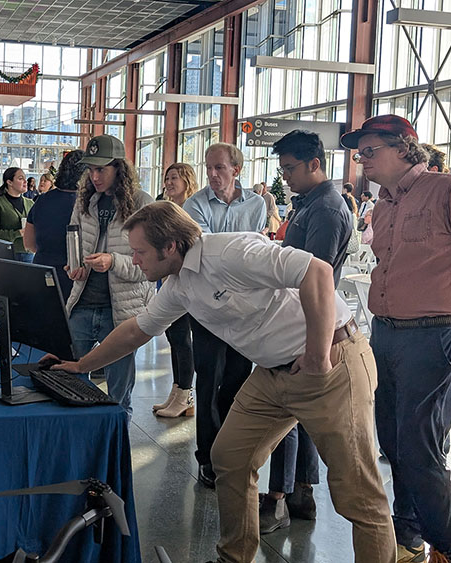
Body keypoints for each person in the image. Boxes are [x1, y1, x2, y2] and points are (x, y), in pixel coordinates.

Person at [48, 201, 396, 563]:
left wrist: (317, 352)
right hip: (273, 373)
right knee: (230, 457)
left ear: (170, 246)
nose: (134, 260)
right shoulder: (178, 283)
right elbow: (136, 331)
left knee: (357, 493)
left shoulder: (231, 252)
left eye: (139, 252)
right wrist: (79, 366)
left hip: (332, 363)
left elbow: (319, 272)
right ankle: (234, 556)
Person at [341, 114, 451, 563]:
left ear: (404, 148)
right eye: (359, 154)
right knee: (394, 443)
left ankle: (450, 548)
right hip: (387, 333)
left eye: (370, 151)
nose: (362, 161)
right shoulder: (386, 204)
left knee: (419, 445)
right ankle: (409, 534)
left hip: (433, 335)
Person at [258, 130, 353, 533]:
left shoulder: (327, 210)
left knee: (289, 409)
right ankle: (301, 492)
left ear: (315, 164)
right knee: (304, 415)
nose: (286, 177)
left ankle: (278, 498)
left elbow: (316, 275)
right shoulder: (310, 205)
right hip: (302, 318)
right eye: (281, 169)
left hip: (305, 322)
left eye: (290, 168)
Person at [181, 142, 265, 488]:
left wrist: (230, 251)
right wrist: (236, 251)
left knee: (236, 379)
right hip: (207, 308)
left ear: (237, 170)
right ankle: (208, 458)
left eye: (220, 168)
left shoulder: (257, 204)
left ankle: (230, 451)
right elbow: (205, 251)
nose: (213, 175)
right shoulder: (194, 204)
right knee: (209, 381)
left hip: (243, 308)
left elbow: (252, 250)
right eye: (209, 168)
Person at [64, 134, 154, 413]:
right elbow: (73, 242)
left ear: (119, 168)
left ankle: (116, 451)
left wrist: (113, 261)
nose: (94, 176)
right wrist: (74, 266)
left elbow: (151, 267)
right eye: (90, 169)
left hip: (123, 312)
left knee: (119, 397)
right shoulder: (85, 201)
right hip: (82, 303)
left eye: (101, 169)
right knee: (70, 385)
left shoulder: (142, 203)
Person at [151, 162, 199, 418]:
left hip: (185, 284)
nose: (169, 183)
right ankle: (177, 389)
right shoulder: (166, 209)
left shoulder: (192, 211)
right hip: (167, 281)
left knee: (182, 338)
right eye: (167, 178)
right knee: (174, 337)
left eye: (174, 178)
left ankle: (185, 394)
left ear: (186, 181)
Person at [24, 150, 86, 302]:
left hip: (41, 272)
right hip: (74, 277)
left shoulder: (41, 201)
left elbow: (29, 243)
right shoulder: (86, 204)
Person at [0, 167, 35, 262]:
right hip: (6, 254)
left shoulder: (30, 203)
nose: (25, 181)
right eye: (20, 179)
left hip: (29, 253)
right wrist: (16, 233)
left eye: (25, 178)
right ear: (9, 182)